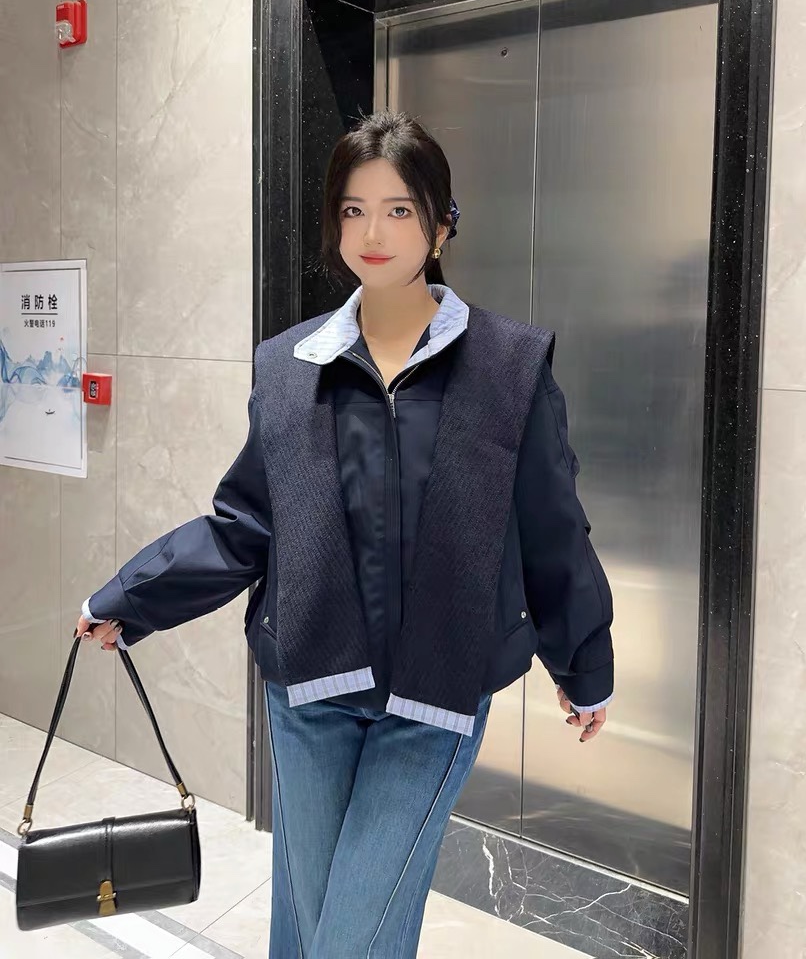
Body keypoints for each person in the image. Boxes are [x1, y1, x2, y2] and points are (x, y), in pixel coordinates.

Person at [74, 110, 615, 958]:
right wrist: (131, 598)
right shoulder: (290, 366)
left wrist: (584, 665)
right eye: (354, 210)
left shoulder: (509, 367)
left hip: (435, 697)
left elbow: (552, 528)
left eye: (399, 210)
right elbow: (246, 524)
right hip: (310, 691)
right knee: (305, 928)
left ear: (442, 225)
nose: (373, 233)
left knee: (350, 939)